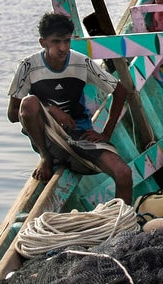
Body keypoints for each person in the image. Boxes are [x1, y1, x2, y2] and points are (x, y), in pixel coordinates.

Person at [7, 12, 133, 204]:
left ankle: (122, 225)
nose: (63, 48)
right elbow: (13, 114)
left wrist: (106, 133)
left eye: (67, 41)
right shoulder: (28, 66)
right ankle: (45, 159)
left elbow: (120, 91)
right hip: (48, 138)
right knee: (29, 102)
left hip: (80, 136)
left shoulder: (81, 62)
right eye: (56, 42)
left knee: (123, 173)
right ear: (43, 42)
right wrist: (50, 110)